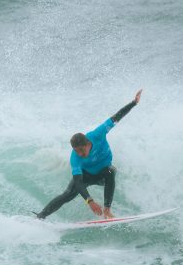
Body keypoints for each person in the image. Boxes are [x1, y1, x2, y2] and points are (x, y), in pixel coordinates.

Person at [36, 89, 142, 220]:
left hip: (103, 174)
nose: (79, 154)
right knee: (67, 194)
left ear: (87, 144)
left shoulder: (98, 133)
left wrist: (133, 103)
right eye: (76, 151)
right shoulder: (75, 158)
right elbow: (78, 182)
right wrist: (90, 201)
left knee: (111, 171)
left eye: (81, 150)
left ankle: (107, 211)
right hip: (86, 176)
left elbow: (117, 117)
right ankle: (41, 216)